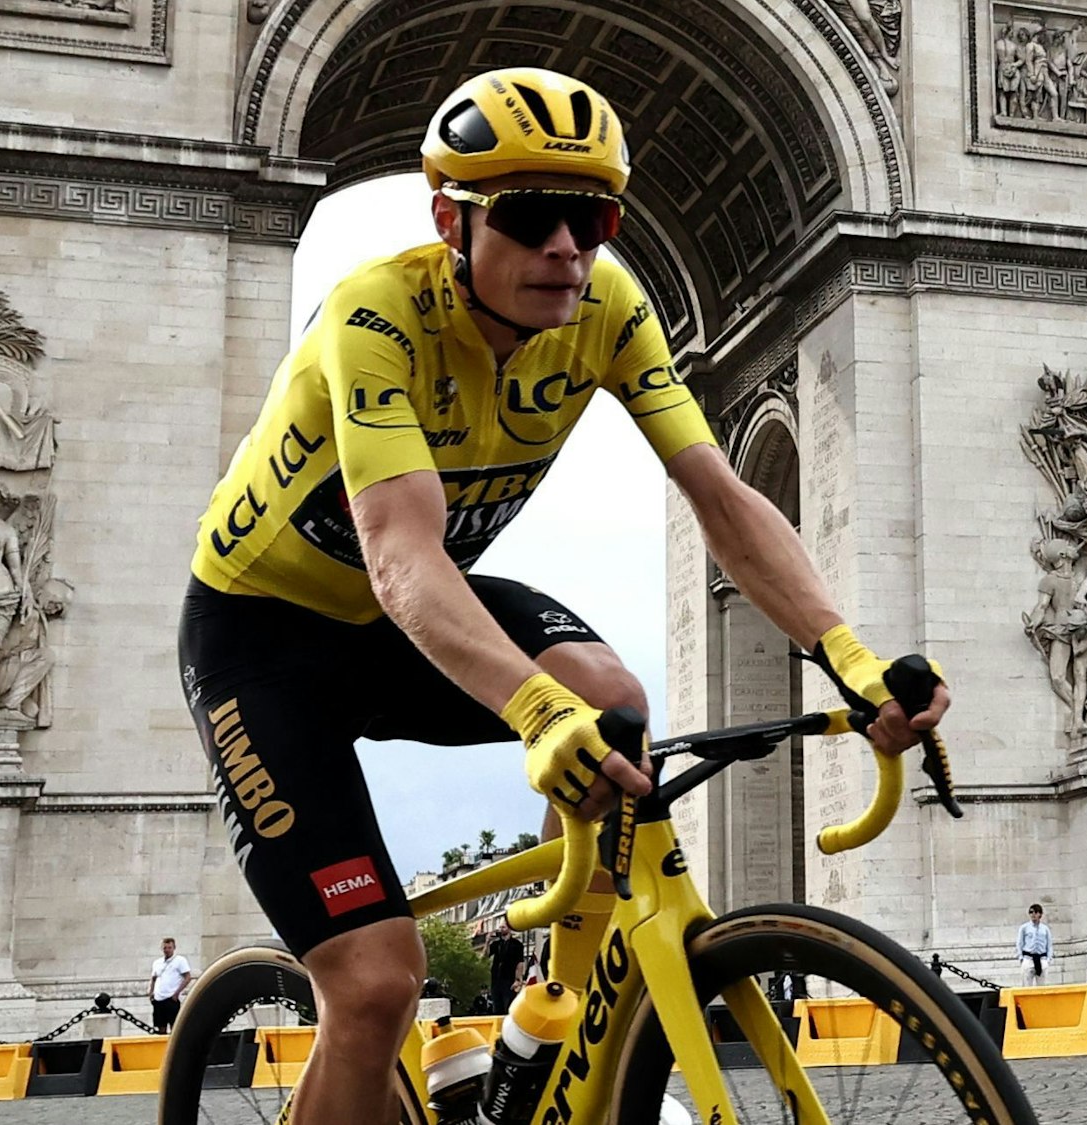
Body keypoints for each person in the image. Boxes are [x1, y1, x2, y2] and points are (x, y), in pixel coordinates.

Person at [176, 66, 949, 1125]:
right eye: (531, 216)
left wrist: (848, 659)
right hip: (266, 642)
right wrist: (534, 717)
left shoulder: (608, 307)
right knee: (374, 985)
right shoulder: (374, 316)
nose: (565, 249)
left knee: (610, 693)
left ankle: (548, 1010)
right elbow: (402, 558)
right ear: (450, 219)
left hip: (413, 618)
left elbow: (720, 496)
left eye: (591, 218)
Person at [150, 937, 193, 1034]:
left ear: (174, 948)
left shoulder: (180, 960)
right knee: (160, 1027)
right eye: (165, 948)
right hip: (158, 999)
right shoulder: (157, 962)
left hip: (171, 998)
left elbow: (188, 977)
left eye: (169, 948)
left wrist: (176, 993)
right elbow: (154, 978)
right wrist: (151, 992)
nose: (167, 950)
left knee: (174, 1026)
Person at [486, 924, 524, 1014]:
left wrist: (518, 979)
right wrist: (487, 942)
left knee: (508, 1006)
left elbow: (520, 963)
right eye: (500, 927)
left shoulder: (517, 944)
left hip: (509, 979)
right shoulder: (496, 944)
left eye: (503, 927)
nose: (501, 929)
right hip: (496, 979)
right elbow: (485, 955)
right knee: (497, 1007)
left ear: (509, 929)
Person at [1016, 904, 1052, 986]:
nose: (1033, 914)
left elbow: (1049, 945)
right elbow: (1019, 943)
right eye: (1031, 912)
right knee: (1026, 986)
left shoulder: (1045, 929)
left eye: (1035, 912)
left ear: (1040, 914)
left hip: (1042, 959)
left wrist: (1048, 959)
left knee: (1042, 986)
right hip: (1028, 958)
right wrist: (1021, 958)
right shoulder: (1024, 928)